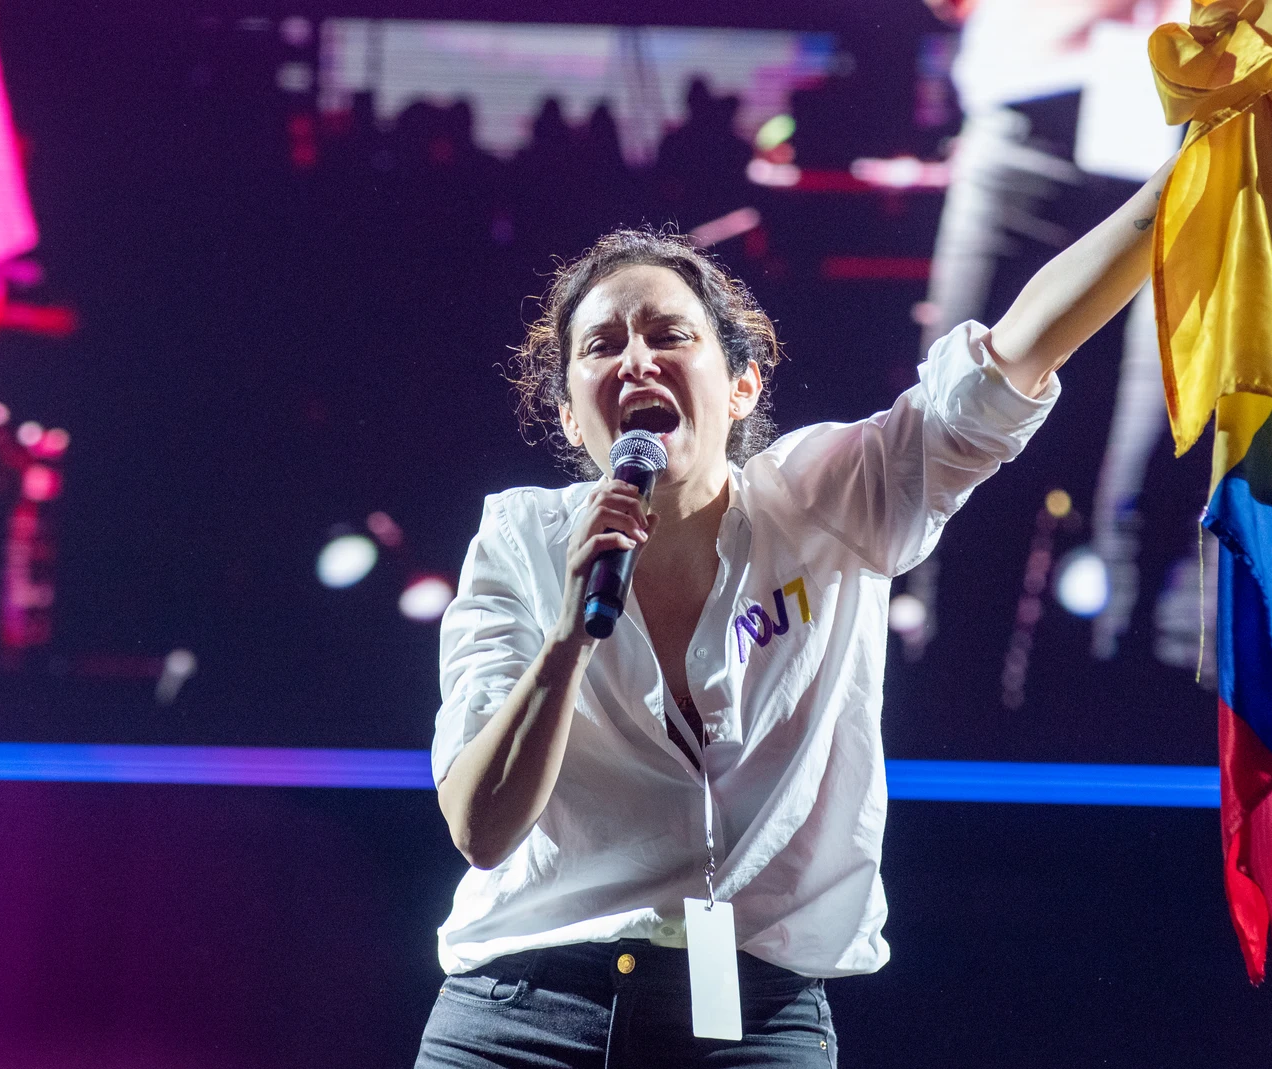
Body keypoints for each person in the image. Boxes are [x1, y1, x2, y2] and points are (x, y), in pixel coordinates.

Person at [416, 146, 1174, 1066]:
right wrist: (570, 634)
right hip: (524, 1010)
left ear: (742, 387)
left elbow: (1017, 354)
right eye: (602, 345)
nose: (637, 359)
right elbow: (481, 827)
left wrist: (1188, 177)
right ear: (574, 417)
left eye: (670, 335)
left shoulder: (829, 500)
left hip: (749, 1017)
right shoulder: (518, 541)